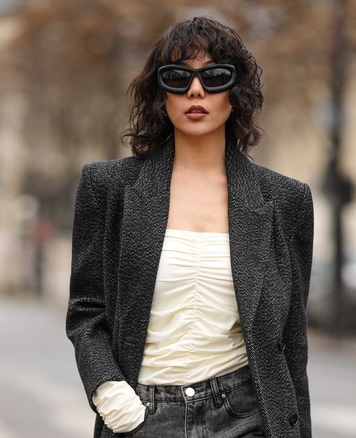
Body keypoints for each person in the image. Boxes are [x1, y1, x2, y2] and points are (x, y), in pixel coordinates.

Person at [67, 16, 314, 438]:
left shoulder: (285, 201)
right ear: (160, 93)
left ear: (236, 93)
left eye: (214, 76)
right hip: (141, 415)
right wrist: (109, 391)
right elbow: (86, 312)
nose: (195, 90)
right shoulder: (108, 187)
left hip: (246, 415)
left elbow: (289, 344)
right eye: (178, 77)